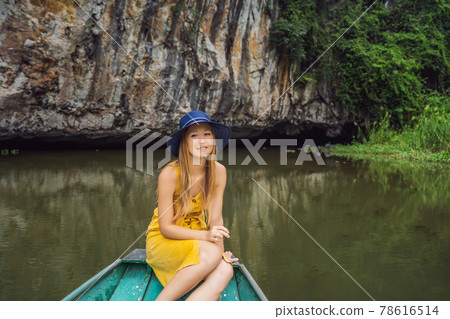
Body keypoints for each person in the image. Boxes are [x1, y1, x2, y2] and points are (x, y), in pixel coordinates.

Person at [145, 110, 238, 301]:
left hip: (200, 241)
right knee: (213, 255)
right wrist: (207, 239)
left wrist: (220, 252)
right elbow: (166, 228)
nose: (202, 141)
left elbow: (215, 219)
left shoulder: (218, 171)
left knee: (226, 268)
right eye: (194, 136)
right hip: (165, 240)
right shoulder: (170, 174)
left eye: (207, 134)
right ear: (184, 143)